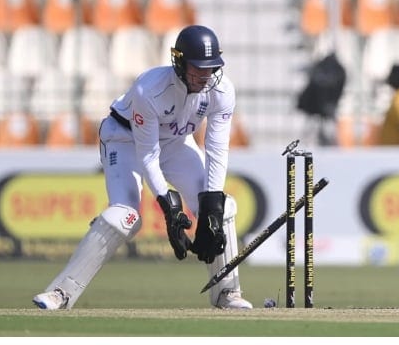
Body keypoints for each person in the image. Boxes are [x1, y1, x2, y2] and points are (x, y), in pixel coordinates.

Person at [33, 25, 252, 309]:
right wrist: (168, 204)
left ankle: (227, 293)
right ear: (180, 63)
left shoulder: (221, 91)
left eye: (211, 68)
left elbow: (217, 148)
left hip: (175, 142)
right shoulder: (148, 89)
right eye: (198, 69)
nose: (205, 76)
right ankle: (60, 294)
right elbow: (147, 153)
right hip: (125, 141)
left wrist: (211, 204)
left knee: (222, 209)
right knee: (124, 216)